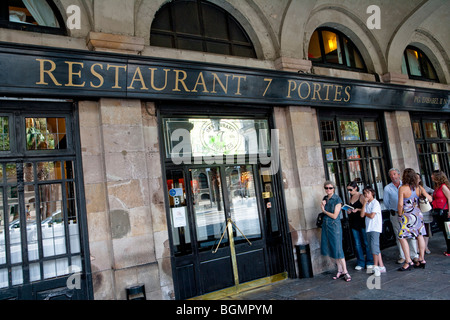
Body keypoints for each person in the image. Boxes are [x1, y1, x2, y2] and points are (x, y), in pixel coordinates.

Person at [397, 168, 433, 271]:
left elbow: (400, 204)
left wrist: (400, 215)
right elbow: (430, 199)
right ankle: (421, 259)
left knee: (402, 237)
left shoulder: (402, 188)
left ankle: (408, 261)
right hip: (418, 214)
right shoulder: (419, 188)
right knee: (419, 235)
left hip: (407, 216)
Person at [383, 168, 419, 264]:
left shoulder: (406, 185)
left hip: (408, 214)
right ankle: (403, 256)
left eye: (394, 174)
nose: (393, 176)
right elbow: (386, 202)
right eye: (391, 175)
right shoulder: (387, 188)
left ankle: (414, 255)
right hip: (395, 214)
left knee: (411, 234)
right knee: (399, 235)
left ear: (399, 175)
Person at [320, 180, 351, 282]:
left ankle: (345, 271)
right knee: (333, 249)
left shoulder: (337, 199)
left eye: (330, 188)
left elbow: (335, 215)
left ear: (334, 188)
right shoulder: (325, 198)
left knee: (338, 249)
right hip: (326, 226)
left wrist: (324, 210)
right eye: (326, 188)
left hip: (334, 226)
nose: (328, 190)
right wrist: (323, 205)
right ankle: (339, 270)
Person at [346, 181, 373, 270]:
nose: (349, 191)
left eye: (350, 189)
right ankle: (360, 261)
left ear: (356, 188)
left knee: (366, 242)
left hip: (362, 222)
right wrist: (349, 211)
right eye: (348, 190)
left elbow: (366, 208)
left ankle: (369, 261)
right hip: (353, 222)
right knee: (357, 244)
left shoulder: (361, 196)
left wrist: (357, 209)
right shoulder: (350, 198)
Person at [361, 186, 385, 276]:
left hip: (375, 227)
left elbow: (371, 216)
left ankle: (376, 266)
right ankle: (381, 265)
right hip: (369, 228)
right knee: (373, 247)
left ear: (372, 193)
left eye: (367, 193)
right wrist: (364, 204)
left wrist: (366, 213)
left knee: (374, 246)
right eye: (364, 193)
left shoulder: (375, 203)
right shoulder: (367, 204)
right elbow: (362, 215)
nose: (366, 195)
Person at [431, 170, 450, 256]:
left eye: (433, 175)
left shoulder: (443, 186)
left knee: (448, 231)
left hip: (445, 211)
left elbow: (449, 198)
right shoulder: (437, 187)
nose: (431, 176)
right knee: (445, 231)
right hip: (439, 211)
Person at [417, 173, 433, 254]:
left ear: (420, 179)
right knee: (418, 230)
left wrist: (426, 197)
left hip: (425, 211)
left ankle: (425, 246)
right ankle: (418, 247)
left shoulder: (424, 187)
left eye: (418, 178)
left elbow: (433, 192)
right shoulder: (410, 188)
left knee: (426, 229)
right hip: (417, 212)